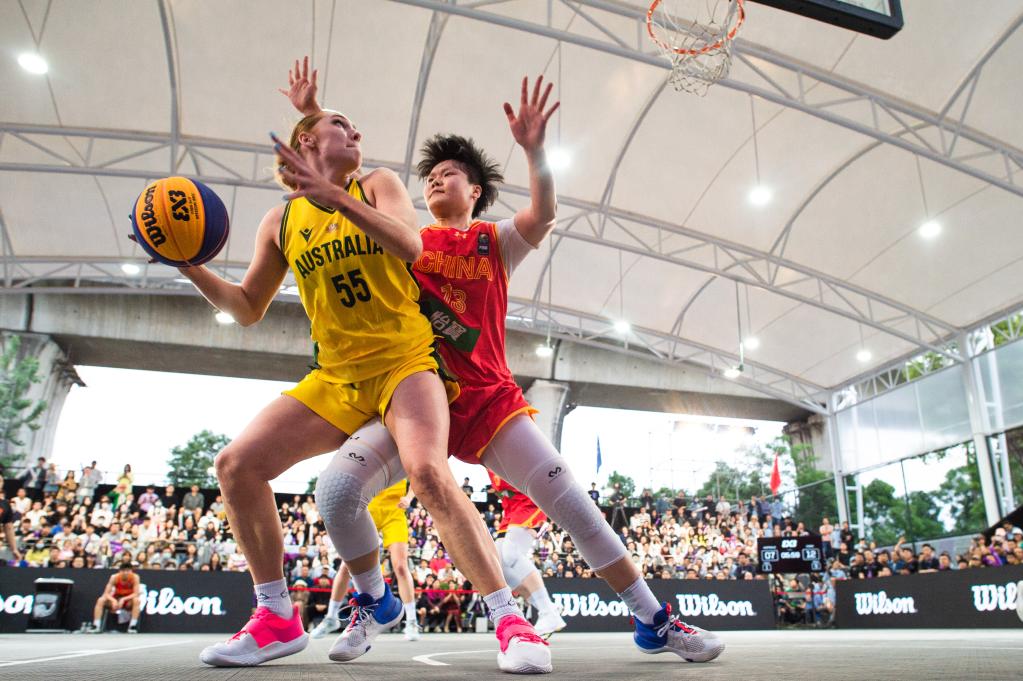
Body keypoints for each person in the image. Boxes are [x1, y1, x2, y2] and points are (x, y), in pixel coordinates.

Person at [307, 73, 722, 665]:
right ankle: (374, 602)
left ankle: (654, 618)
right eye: (430, 176)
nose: (435, 180)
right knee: (336, 490)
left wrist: (534, 150)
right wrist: (314, 115)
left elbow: (545, 211)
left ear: (474, 191)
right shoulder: (403, 240)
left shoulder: (493, 241)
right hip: (416, 399)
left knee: (572, 504)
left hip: (490, 402)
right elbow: (335, 178)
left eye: (449, 173)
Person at [198, 58, 545, 672]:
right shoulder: (281, 221)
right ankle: (276, 615)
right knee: (236, 465)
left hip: (406, 363)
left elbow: (410, 244)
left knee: (428, 473)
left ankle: (510, 620)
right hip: (337, 376)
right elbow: (247, 307)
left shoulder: (378, 184)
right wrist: (187, 263)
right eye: (342, 125)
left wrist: (332, 184)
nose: (356, 132)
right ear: (308, 142)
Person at [309, 480, 420, 642]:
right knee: (346, 566)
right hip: (369, 511)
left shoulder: (404, 463)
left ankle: (411, 621)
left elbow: (417, 478)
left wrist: (409, 498)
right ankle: (331, 618)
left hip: (395, 513)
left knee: (401, 566)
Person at [489, 471, 566, 637]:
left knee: (511, 553)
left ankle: (548, 613)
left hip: (530, 501)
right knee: (500, 566)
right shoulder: (481, 461)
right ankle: (550, 608)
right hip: (511, 510)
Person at [85, 561, 140, 633]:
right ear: (120, 571)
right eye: (123, 571)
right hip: (116, 598)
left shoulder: (135, 577)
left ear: (131, 571)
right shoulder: (114, 577)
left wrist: (123, 599)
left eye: (128, 571)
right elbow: (106, 593)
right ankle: (96, 625)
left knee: (136, 600)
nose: (126, 573)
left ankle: (132, 626)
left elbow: (136, 593)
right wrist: (113, 600)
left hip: (128, 600)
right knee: (101, 600)